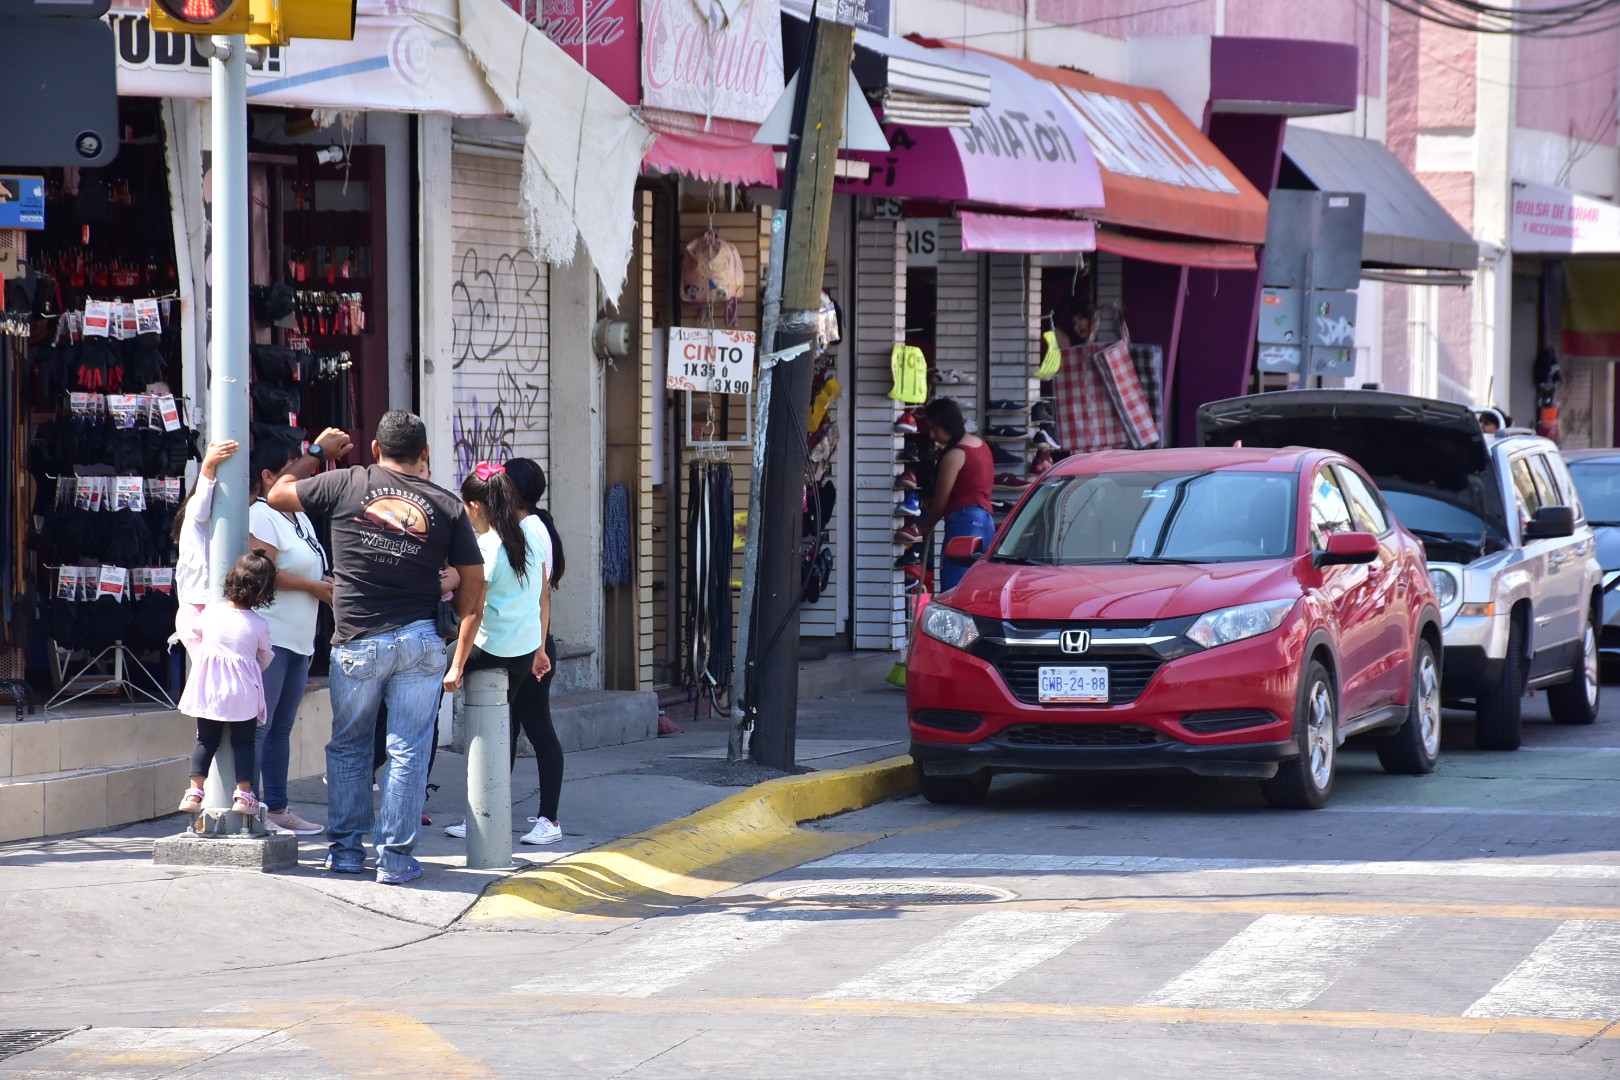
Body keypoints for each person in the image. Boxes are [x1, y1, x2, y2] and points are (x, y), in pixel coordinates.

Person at [266, 410, 485, 885]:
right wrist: (450, 610)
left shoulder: (346, 482)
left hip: (358, 642)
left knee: (350, 748)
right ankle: (396, 861)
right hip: (420, 640)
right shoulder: (445, 505)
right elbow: (473, 584)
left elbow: (276, 494)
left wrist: (318, 453)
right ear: (424, 454)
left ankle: (346, 854)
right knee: (407, 750)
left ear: (375, 450)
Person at [443, 461, 561, 846]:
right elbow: (543, 597)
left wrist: (456, 666)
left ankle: (537, 817)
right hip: (526, 651)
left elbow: (473, 614)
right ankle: (488, 810)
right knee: (509, 729)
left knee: (426, 663)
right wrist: (540, 649)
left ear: (476, 506)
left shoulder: (493, 546)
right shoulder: (526, 536)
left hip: (496, 650)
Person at [247, 430, 350, 836]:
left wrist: (324, 583)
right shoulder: (261, 513)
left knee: (281, 729)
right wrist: (312, 587)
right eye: (296, 469)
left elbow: (307, 565)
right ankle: (250, 808)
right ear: (270, 475)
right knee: (261, 726)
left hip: (300, 638)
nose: (304, 478)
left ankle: (277, 807)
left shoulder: (299, 514)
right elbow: (262, 572)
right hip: (272, 636)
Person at [174, 552, 277, 816]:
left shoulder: (211, 614)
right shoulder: (258, 624)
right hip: (242, 693)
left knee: (205, 741)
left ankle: (194, 792)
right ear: (264, 591)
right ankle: (243, 795)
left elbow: (191, 631)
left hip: (209, 690)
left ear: (230, 579)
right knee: (244, 743)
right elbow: (265, 657)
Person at [919, 398, 996, 592]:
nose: (932, 435)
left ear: (948, 425)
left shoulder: (955, 454)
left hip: (964, 524)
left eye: (935, 429)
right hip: (986, 522)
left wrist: (924, 528)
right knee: (977, 590)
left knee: (954, 590)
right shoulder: (980, 444)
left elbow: (940, 505)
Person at [172, 439, 240, 649]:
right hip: (199, 603)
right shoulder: (199, 509)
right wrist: (208, 467)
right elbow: (203, 504)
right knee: (209, 674)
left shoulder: (206, 515)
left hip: (202, 602)